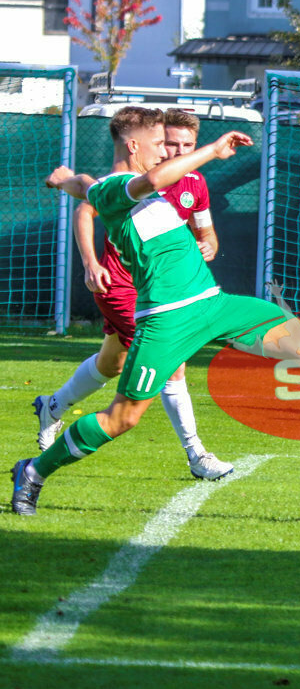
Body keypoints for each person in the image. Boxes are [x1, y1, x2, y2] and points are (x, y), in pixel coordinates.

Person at [10, 106, 300, 516]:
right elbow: (142, 181)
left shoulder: (106, 186)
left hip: (215, 304)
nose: (166, 150)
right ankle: (32, 472)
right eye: (160, 143)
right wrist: (212, 151)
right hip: (167, 318)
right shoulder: (117, 189)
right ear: (133, 147)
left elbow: (85, 184)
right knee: (122, 417)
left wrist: (66, 180)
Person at [33, 110, 232, 480]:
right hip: (123, 286)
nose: (174, 151)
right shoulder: (131, 179)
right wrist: (91, 262)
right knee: (173, 365)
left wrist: (208, 245)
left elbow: (207, 233)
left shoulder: (194, 183)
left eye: (186, 145)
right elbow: (85, 208)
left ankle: (52, 407)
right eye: (168, 143)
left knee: (112, 364)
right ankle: (197, 455)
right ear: (144, 144)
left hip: (159, 288)